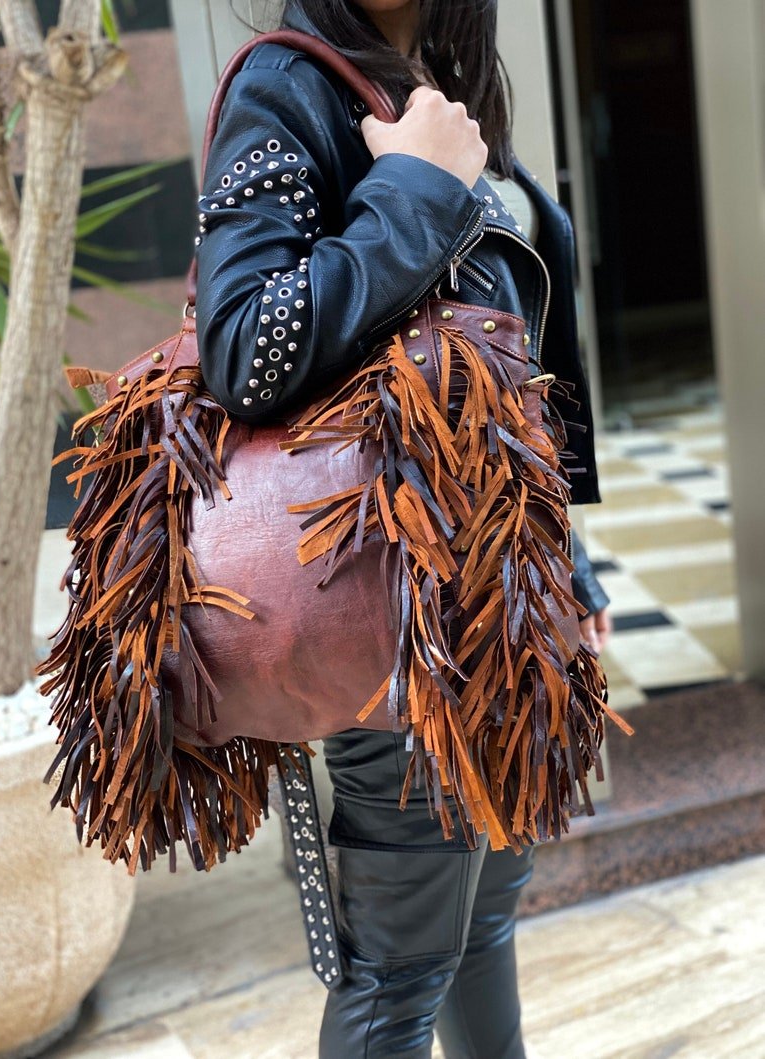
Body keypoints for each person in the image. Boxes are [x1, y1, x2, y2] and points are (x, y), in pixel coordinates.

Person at [194, 1, 613, 1055]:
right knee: (399, 970)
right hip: (395, 609)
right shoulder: (285, 87)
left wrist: (569, 572)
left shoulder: (444, 65)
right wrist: (412, 189)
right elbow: (244, 347)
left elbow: (506, 375)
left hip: (494, 605)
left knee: (479, 927)